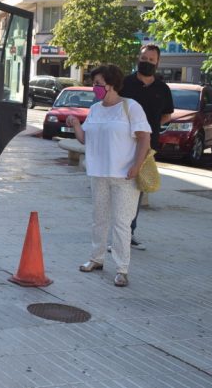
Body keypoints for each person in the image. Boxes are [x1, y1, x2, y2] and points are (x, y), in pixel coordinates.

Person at [66, 65, 151, 287]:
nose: (95, 88)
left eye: (99, 84)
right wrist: (75, 124)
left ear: (112, 85)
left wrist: (137, 165)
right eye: (93, 83)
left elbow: (144, 139)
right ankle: (96, 258)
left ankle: (122, 269)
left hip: (124, 176)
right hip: (99, 173)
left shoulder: (130, 107)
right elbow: (85, 139)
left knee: (122, 223)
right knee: (99, 219)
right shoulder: (95, 109)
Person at [120, 45, 174, 250]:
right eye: (144, 58)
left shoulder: (163, 89)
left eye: (151, 60)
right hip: (123, 142)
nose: (147, 62)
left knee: (137, 189)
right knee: (119, 186)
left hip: (147, 146)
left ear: (158, 63)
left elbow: (167, 114)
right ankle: (118, 230)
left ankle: (129, 231)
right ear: (138, 58)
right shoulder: (125, 83)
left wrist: (148, 128)